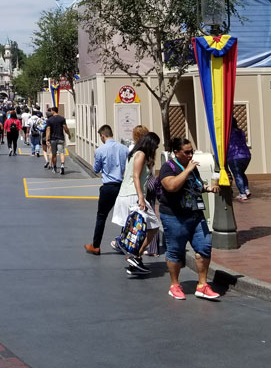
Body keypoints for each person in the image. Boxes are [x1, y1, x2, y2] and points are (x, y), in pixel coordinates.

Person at [158, 137, 220, 301]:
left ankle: (202, 285)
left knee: (205, 246)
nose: (191, 154)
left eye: (192, 151)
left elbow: (196, 185)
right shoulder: (168, 167)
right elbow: (171, 186)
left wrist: (208, 188)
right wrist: (186, 170)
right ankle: (175, 285)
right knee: (175, 251)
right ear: (176, 152)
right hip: (175, 216)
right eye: (187, 152)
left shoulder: (192, 167)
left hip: (196, 214)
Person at [111, 130, 161, 274]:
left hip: (128, 194)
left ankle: (135, 258)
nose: (156, 149)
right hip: (133, 194)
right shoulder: (141, 154)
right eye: (155, 146)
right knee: (153, 226)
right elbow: (136, 176)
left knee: (139, 227)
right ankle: (129, 249)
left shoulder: (134, 153)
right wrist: (140, 197)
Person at [85, 125, 126, 255]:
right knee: (125, 216)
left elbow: (96, 169)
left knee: (101, 216)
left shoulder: (100, 150)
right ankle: (123, 242)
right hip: (122, 185)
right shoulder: (124, 149)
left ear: (102, 135)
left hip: (108, 186)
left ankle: (96, 245)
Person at [227, 120, 252, 200]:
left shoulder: (228, 133)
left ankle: (242, 194)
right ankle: (246, 189)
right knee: (241, 173)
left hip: (234, 156)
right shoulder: (241, 131)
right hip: (246, 155)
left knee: (237, 175)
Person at [45, 107, 69, 175]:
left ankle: (55, 168)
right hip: (60, 138)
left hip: (53, 139)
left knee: (54, 154)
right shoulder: (62, 119)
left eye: (51, 111)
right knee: (61, 152)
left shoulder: (49, 120)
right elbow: (65, 128)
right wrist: (69, 134)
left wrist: (47, 139)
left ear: (53, 111)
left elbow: (48, 130)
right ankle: (62, 166)